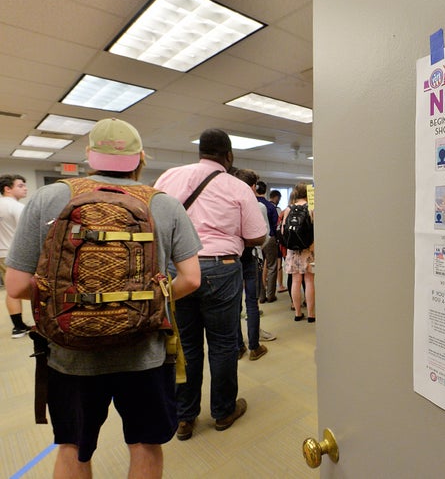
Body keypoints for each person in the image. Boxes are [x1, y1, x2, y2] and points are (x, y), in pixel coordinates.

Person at [4, 118, 202, 479]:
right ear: (141, 157)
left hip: (70, 352)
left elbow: (16, 287)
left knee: (72, 449)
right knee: (145, 445)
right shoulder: (165, 204)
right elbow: (191, 278)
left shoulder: (48, 197)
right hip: (144, 352)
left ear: (89, 156)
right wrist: (150, 301)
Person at [154, 128, 267, 441]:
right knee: (222, 343)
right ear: (229, 156)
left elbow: (154, 220)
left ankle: (184, 417)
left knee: (186, 345)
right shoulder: (236, 186)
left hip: (177, 270)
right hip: (222, 269)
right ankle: (222, 411)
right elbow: (257, 236)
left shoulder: (168, 178)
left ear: (199, 151)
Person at [229, 168, 276, 362]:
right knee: (251, 303)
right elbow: (263, 237)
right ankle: (254, 347)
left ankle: (239, 346)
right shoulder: (257, 206)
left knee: (234, 304)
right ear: (253, 186)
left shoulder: (227, 203)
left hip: (230, 258)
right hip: (249, 258)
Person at [0, 174, 31, 338]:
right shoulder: (17, 207)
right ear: (7, 188)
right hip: (17, 254)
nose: (25, 188)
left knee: (11, 289)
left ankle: (18, 326)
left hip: (2, 254)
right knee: (33, 288)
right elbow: (27, 233)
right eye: (20, 185)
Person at [281, 183, 315, 323]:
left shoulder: (288, 209)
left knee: (296, 281)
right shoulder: (311, 208)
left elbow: (283, 231)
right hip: (308, 249)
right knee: (309, 281)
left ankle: (297, 312)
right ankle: (311, 315)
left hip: (293, 250)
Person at [255, 181, 279, 303]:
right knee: (271, 266)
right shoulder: (270, 207)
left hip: (254, 240)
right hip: (269, 238)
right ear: (265, 190)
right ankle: (270, 295)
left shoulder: (251, 204)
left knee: (258, 267)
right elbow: (275, 225)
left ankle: (261, 295)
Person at [268, 190, 287, 293]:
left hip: (265, 239)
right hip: (275, 239)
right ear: (276, 197)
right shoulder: (277, 209)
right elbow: (279, 224)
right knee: (278, 262)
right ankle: (280, 285)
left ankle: (265, 285)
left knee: (267, 262)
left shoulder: (264, 206)